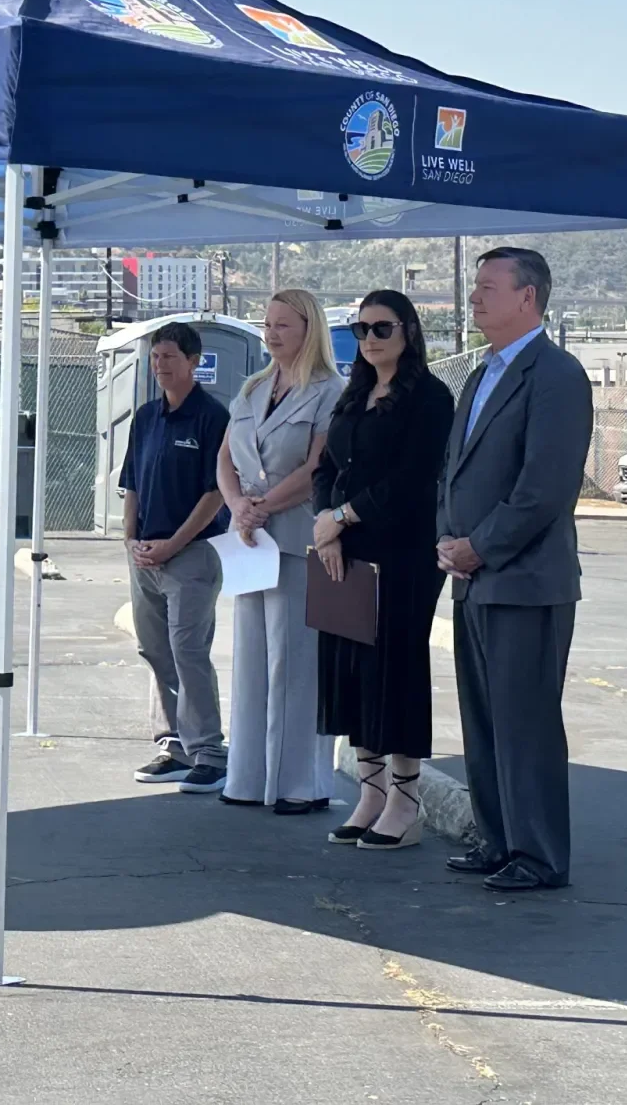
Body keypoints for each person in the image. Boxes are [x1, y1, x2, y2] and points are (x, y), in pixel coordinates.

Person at [436, 246, 593, 892]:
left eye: (488, 288)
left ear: (527, 298)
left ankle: (539, 854)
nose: (474, 298)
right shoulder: (480, 374)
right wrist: (448, 540)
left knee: (525, 722)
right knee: (484, 720)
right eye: (475, 287)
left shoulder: (556, 374)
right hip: (474, 578)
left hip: (525, 582)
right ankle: (497, 839)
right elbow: (457, 470)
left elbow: (546, 487)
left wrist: (480, 546)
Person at [310, 290, 455, 849]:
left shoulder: (429, 398)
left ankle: (405, 800)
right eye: (361, 329)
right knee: (354, 673)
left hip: (403, 555)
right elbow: (326, 465)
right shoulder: (355, 394)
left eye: (382, 328)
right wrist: (328, 519)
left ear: (409, 332)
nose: (370, 339)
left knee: (396, 673)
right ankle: (370, 793)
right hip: (344, 551)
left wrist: (342, 517)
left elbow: (415, 477)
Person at [216, 290, 343, 813]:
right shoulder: (252, 387)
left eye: (283, 325)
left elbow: (317, 466)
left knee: (295, 662)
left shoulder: (330, 391)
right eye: (267, 324)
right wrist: (238, 507)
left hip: (296, 539)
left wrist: (261, 505)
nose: (271, 333)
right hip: (250, 540)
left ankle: (299, 784)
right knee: (251, 662)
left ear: (308, 329)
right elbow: (224, 458)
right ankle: (247, 778)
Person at [121, 322, 234, 793]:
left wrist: (174, 544)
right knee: (155, 649)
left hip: (191, 554)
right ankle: (175, 745)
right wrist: (131, 539)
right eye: (154, 358)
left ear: (193, 361)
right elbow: (131, 483)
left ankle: (209, 751)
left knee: (188, 650)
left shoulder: (212, 418)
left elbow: (216, 494)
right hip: (145, 555)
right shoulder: (146, 417)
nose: (160, 366)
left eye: (169, 357)